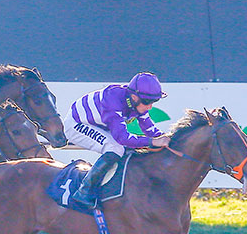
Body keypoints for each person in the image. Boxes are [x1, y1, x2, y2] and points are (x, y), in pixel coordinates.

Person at [66, 71, 170, 210]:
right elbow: (122, 138)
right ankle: (84, 191)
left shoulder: (137, 102)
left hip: (98, 124)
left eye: (154, 102)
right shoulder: (113, 101)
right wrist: (152, 142)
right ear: (134, 97)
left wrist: (166, 138)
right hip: (77, 124)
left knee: (127, 149)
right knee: (116, 148)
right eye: (147, 102)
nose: (150, 106)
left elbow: (149, 129)